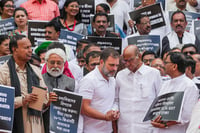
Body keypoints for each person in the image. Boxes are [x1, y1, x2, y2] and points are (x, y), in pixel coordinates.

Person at [0, 35, 47, 133]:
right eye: (26, 48)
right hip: (14, 125)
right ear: (15, 49)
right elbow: (2, 103)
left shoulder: (36, 70)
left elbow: (44, 97)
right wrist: (23, 100)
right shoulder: (3, 71)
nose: (30, 50)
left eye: (30, 47)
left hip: (36, 124)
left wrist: (48, 99)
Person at [115, 45, 162, 133]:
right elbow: (116, 100)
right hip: (125, 128)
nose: (128, 64)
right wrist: (114, 111)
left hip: (147, 128)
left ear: (139, 56)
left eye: (130, 60)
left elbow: (160, 100)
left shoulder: (154, 74)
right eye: (125, 61)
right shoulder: (120, 75)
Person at [151, 52, 199, 133]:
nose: (163, 65)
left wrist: (166, 123)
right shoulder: (165, 84)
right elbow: (158, 107)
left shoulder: (189, 86)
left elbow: (187, 116)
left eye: (166, 63)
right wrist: (155, 120)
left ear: (174, 66)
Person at [79, 48, 120, 133]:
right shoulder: (89, 80)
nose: (115, 69)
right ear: (101, 62)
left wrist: (113, 112)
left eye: (117, 65)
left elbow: (114, 101)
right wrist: (105, 117)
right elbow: (84, 108)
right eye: (111, 65)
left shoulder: (112, 79)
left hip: (108, 130)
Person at [42, 47, 75, 133]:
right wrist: (47, 102)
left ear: (64, 64)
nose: (55, 66)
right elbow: (34, 107)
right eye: (52, 62)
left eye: (59, 63)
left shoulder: (71, 82)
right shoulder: (39, 80)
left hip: (63, 125)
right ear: (46, 63)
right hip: (43, 123)